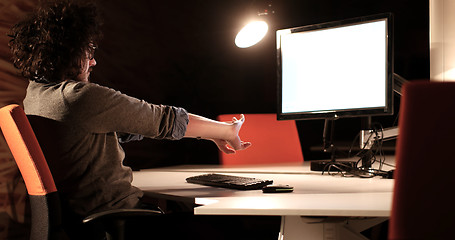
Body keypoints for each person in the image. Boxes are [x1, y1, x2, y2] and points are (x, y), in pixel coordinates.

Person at [8, 0, 253, 238]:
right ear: (68, 53)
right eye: (88, 51)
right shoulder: (78, 98)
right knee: (227, 228)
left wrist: (213, 132)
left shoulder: (35, 94)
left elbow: (126, 127)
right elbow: (162, 120)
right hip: (117, 222)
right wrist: (226, 131)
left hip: (85, 223)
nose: (93, 61)